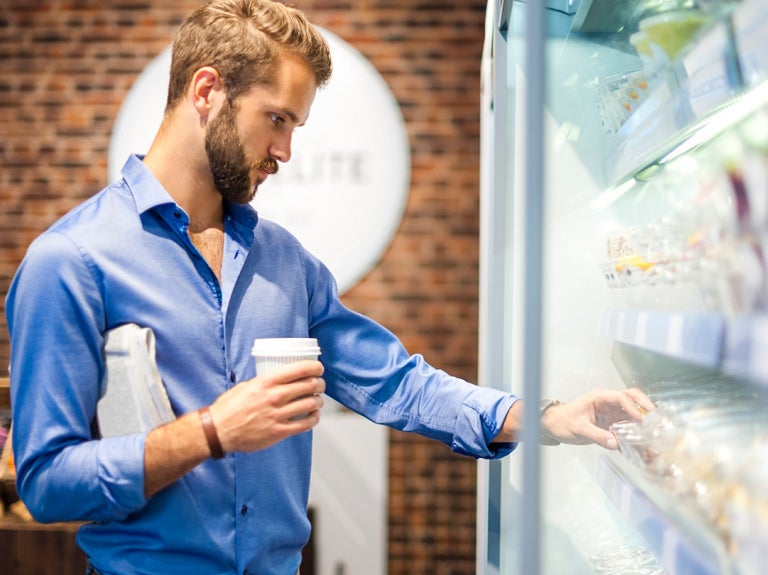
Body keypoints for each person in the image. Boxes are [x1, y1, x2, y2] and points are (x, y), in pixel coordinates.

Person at [4, 1, 654, 574]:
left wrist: (541, 418)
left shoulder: (286, 263)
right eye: (277, 119)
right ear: (206, 90)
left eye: (295, 128)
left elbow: (398, 382)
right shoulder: (71, 262)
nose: (285, 151)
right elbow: (47, 482)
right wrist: (211, 431)